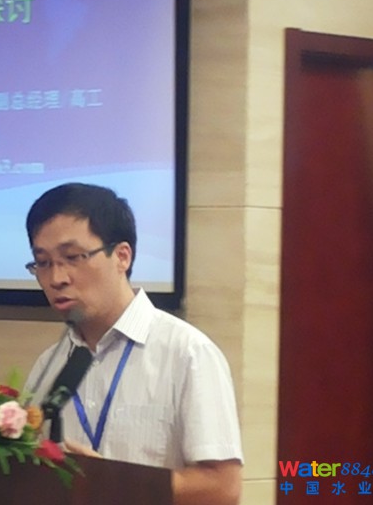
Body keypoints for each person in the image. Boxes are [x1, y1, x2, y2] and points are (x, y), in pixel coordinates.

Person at [24, 183, 243, 505]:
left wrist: (117, 484)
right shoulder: (49, 365)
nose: (56, 278)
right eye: (42, 262)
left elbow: (223, 488)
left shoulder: (187, 353)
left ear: (122, 256)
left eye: (72, 257)